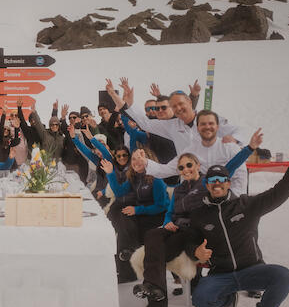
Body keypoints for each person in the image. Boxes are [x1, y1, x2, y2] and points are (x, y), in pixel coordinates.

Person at [133, 128, 262, 307]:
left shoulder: (206, 184)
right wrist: (167, 223)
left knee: (156, 252)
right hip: (177, 230)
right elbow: (169, 212)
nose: (185, 170)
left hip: (196, 231)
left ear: (198, 165)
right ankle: (155, 290)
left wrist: (250, 148)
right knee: (153, 235)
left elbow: (231, 166)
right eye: (181, 167)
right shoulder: (178, 189)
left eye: (189, 165)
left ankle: (157, 302)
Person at [183, 144, 289, 307]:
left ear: (228, 183)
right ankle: (228, 299)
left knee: (283, 276)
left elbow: (277, 194)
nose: (217, 183)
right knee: (200, 300)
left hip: (252, 269)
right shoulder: (199, 215)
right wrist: (195, 251)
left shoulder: (246, 205)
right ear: (207, 185)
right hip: (221, 273)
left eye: (221, 179)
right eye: (212, 180)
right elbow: (189, 241)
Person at [106, 78, 244, 156]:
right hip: (186, 177)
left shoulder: (208, 118)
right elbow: (143, 122)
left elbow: (238, 130)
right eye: (174, 106)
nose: (178, 108)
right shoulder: (171, 125)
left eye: (180, 104)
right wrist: (116, 96)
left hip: (214, 179)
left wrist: (235, 140)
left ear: (189, 102)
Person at [134, 110, 249, 196]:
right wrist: (146, 163)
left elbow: (240, 177)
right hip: (203, 202)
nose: (207, 127)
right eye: (203, 124)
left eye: (211, 123)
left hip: (231, 201)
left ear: (217, 126)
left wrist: (236, 198)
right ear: (197, 128)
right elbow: (167, 170)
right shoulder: (190, 151)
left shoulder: (230, 148)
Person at [101, 152, 170, 283]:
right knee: (123, 222)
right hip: (143, 213)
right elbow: (119, 192)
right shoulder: (134, 177)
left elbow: (161, 206)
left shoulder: (156, 179)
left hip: (157, 216)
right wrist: (110, 173)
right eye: (133, 159)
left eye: (140, 158)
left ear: (148, 160)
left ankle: (127, 265)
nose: (136, 162)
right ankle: (127, 260)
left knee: (125, 229)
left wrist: (137, 210)